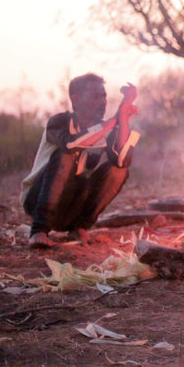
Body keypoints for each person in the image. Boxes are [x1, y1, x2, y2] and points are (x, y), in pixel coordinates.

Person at [21, 73, 140, 249]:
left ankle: (79, 227)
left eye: (104, 96)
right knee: (65, 155)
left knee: (118, 170)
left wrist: (122, 118)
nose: (103, 102)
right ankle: (39, 230)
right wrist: (115, 119)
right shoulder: (59, 121)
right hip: (38, 200)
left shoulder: (104, 128)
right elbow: (71, 144)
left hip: (73, 204)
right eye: (95, 96)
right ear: (75, 99)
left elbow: (122, 160)